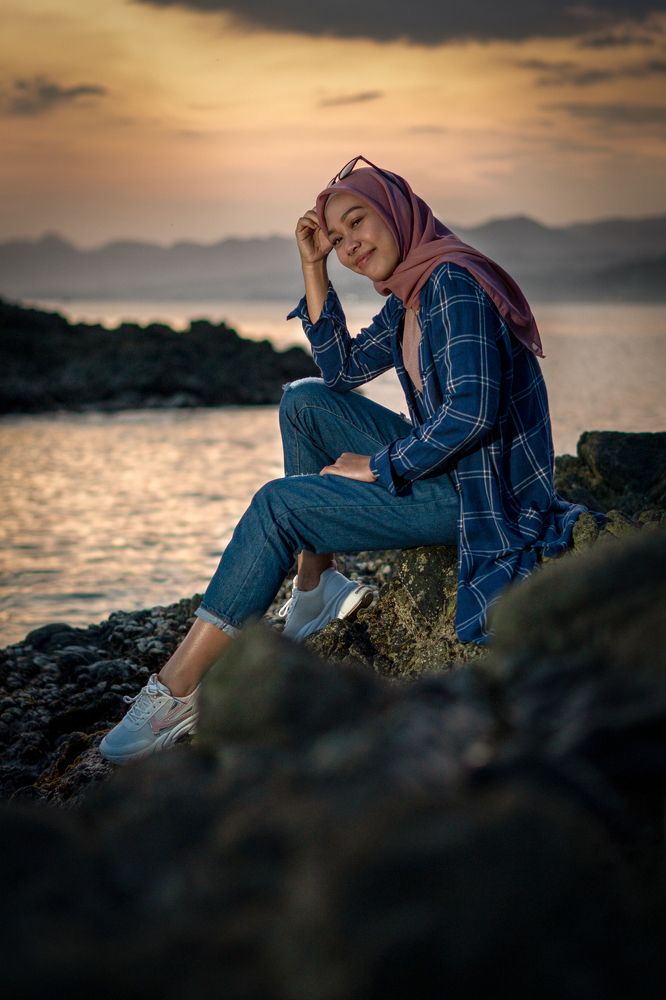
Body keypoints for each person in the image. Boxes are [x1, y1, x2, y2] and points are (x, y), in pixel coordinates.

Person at [99, 155, 586, 765]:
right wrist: (312, 268)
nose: (350, 247)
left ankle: (176, 691)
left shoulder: (453, 284)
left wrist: (379, 465)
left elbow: (473, 413)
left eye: (357, 223)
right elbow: (341, 372)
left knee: (279, 505)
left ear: (396, 211)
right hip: (455, 469)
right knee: (304, 400)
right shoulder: (413, 291)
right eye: (336, 240)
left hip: (484, 495)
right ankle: (315, 585)